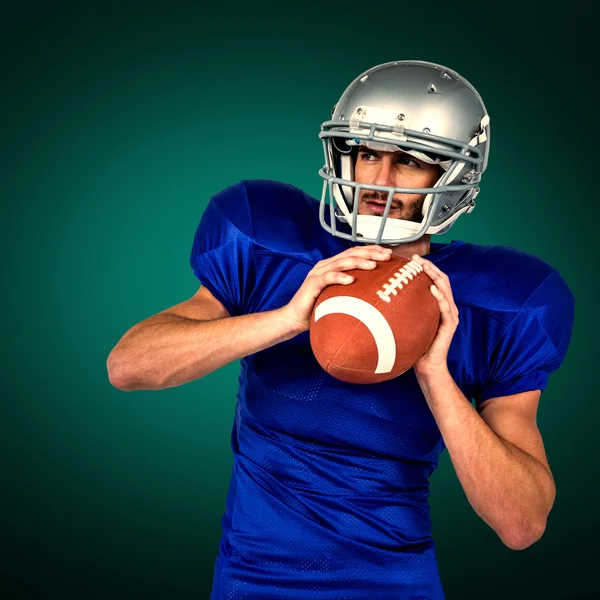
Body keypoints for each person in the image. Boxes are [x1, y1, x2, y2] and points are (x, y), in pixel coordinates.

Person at [107, 60, 575, 599]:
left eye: (410, 161)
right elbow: (128, 366)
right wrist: (288, 319)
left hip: (393, 586)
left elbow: (522, 525)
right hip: (251, 581)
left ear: (455, 176)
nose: (377, 180)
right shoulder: (274, 244)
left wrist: (435, 375)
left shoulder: (497, 301)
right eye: (367, 152)